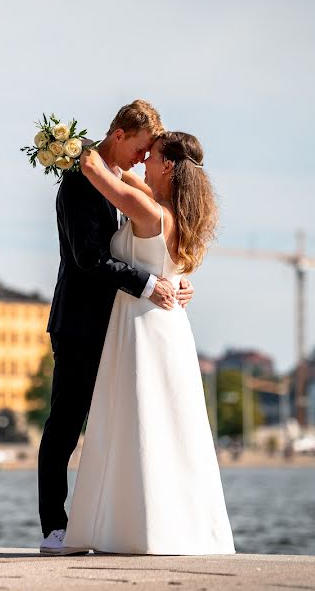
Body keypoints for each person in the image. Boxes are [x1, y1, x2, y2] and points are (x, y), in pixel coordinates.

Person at [63, 131, 234, 555]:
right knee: (169, 425)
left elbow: (94, 170)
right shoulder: (177, 214)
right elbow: (128, 181)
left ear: (169, 166)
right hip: (170, 328)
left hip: (141, 325)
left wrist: (67, 142)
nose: (143, 163)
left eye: (151, 156)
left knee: (135, 420)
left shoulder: (146, 209)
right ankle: (176, 526)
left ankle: (130, 526)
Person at [38, 100, 195, 555]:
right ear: (121, 135)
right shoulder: (78, 184)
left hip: (124, 329)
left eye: (151, 154)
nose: (143, 160)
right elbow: (89, 260)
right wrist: (150, 285)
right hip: (81, 325)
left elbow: (157, 239)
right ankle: (54, 526)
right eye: (141, 149)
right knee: (65, 425)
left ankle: (108, 523)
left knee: (116, 428)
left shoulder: (117, 181)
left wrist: (178, 279)